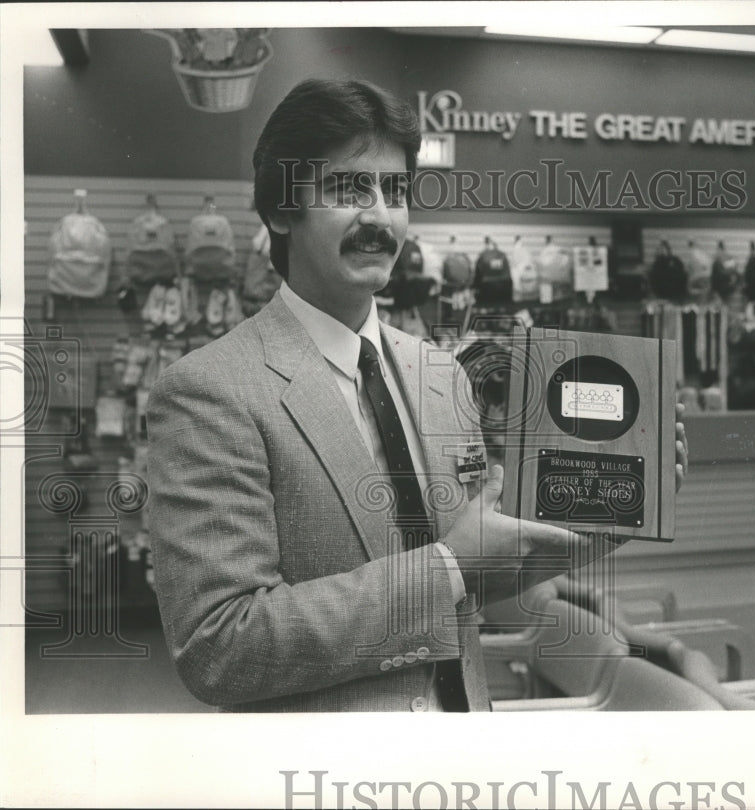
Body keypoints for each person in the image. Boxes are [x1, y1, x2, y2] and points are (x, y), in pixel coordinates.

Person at [147, 78, 688, 712]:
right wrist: (449, 565)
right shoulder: (211, 391)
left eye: (396, 190)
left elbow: (480, 572)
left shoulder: (441, 373)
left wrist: (613, 512)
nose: (380, 217)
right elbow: (220, 648)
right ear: (280, 211)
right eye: (350, 189)